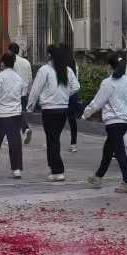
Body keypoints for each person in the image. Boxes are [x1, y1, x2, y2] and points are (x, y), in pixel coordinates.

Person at [83, 52, 127, 193]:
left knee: (119, 152)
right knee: (108, 150)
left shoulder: (108, 83)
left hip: (113, 122)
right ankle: (98, 176)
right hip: (124, 122)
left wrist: (85, 114)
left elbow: (97, 103)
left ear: (110, 66)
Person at [27, 44, 80, 180]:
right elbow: (76, 86)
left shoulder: (44, 70)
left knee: (52, 140)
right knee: (54, 139)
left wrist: (30, 106)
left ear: (50, 55)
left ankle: (57, 170)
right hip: (63, 109)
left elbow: (36, 89)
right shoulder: (67, 70)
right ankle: (54, 167)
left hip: (49, 109)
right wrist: (65, 95)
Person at [9, 42, 35, 145]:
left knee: (14, 114)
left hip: (13, 92)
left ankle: (23, 130)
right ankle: (24, 130)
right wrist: (29, 91)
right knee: (20, 112)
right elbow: (30, 78)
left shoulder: (11, 62)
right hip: (24, 92)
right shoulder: (26, 62)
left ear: (10, 51)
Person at [64, 45, 82, 151]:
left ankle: (52, 142)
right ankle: (73, 144)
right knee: (72, 120)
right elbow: (76, 81)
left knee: (58, 120)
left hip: (63, 96)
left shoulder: (62, 66)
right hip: (73, 94)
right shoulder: (74, 63)